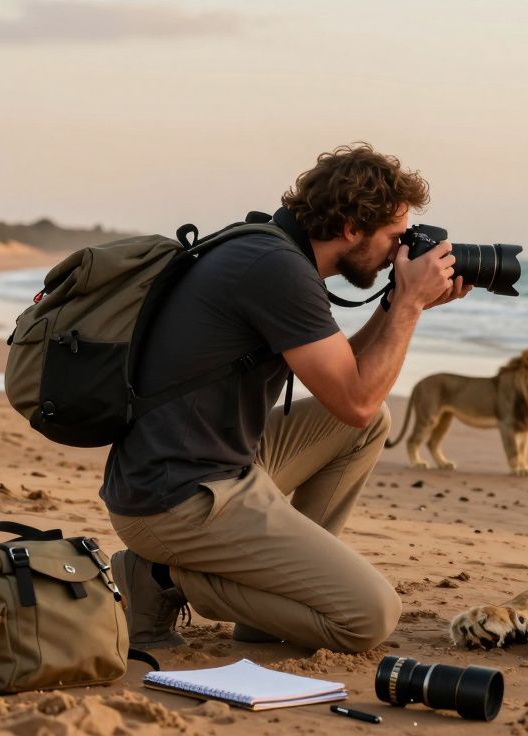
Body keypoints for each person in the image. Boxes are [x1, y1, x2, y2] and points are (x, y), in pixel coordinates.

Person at [103, 143, 471, 651]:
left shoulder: (271, 250)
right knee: (367, 618)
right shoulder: (275, 270)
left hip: (206, 466)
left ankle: (279, 606)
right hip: (178, 500)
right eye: (393, 236)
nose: (399, 251)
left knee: (364, 426)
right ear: (350, 228)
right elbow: (355, 397)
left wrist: (399, 303)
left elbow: (350, 387)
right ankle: (157, 577)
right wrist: (407, 303)